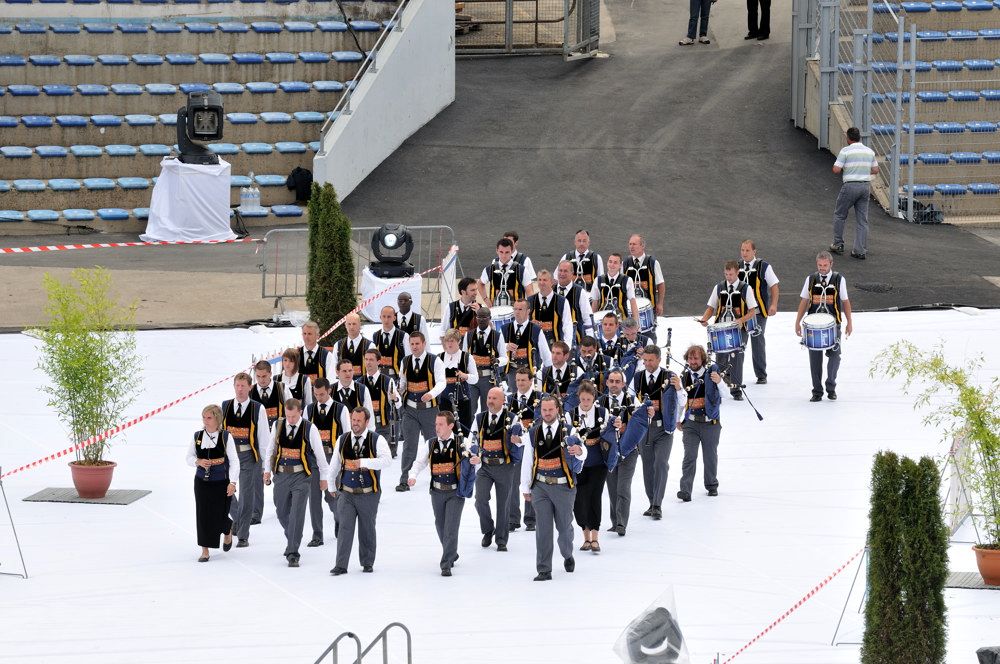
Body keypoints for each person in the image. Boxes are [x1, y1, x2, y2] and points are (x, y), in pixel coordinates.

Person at [520, 395, 586, 581]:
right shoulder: (532, 432)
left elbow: (582, 450)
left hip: (563, 487)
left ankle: (567, 553)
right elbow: (527, 461)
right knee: (543, 528)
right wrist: (525, 487)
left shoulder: (569, 430)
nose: (547, 413)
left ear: (558, 410)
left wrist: (579, 452)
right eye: (544, 410)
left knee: (564, 528)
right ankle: (544, 569)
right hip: (540, 487)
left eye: (550, 410)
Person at [408, 410, 479, 576]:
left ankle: (446, 562)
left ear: (451, 426)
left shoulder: (463, 443)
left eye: (441, 424)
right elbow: (419, 462)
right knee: (440, 525)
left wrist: (477, 460)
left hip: (455, 493)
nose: (437, 428)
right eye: (436, 424)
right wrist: (412, 476)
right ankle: (452, 551)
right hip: (437, 491)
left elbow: (476, 460)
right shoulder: (431, 444)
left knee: (450, 528)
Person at [262, 399, 330, 567]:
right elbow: (271, 449)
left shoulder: (310, 428)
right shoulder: (278, 425)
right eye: (288, 416)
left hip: (302, 476)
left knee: (297, 514)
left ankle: (293, 552)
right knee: (281, 511)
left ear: (300, 412)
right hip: (281, 476)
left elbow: (320, 455)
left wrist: (323, 477)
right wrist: (267, 470)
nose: (290, 419)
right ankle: (293, 535)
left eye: (293, 416)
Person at [327, 407, 393, 575]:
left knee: (367, 528)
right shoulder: (342, 439)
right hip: (346, 493)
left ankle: (367, 562)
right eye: (353, 420)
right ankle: (341, 565)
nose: (355, 424)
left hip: (369, 493)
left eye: (358, 421)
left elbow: (386, 461)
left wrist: (363, 462)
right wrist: (331, 486)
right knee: (345, 528)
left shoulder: (376, 439)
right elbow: (335, 464)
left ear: (366, 422)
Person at [633, 345, 685, 520]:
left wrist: (678, 388)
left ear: (659, 360)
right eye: (645, 360)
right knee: (648, 466)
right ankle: (651, 502)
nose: (647, 363)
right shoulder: (638, 377)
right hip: (644, 430)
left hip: (664, 429)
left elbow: (682, 400)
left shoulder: (670, 377)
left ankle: (657, 504)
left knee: (661, 464)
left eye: (651, 360)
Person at [795, 251, 854, 402]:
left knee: (835, 356)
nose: (822, 268)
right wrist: (797, 321)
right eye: (820, 265)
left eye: (825, 265)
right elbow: (804, 301)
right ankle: (817, 391)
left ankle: (831, 386)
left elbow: (845, 301)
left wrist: (849, 322)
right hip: (813, 326)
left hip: (834, 325)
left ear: (831, 264)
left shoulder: (839, 279)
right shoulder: (810, 279)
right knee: (815, 359)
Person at [470, 387, 523, 552]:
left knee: (503, 504)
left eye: (494, 398)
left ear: (503, 401)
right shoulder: (479, 418)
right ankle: (488, 530)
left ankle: (501, 539)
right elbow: (472, 440)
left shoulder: (513, 419)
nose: (490, 401)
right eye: (489, 397)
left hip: (504, 466)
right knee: (480, 499)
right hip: (485, 466)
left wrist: (518, 440)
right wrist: (475, 453)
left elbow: (523, 439)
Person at [222, 373, 272, 546]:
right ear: (234, 386)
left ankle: (243, 535)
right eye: (238, 386)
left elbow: (264, 438)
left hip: (249, 457)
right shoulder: (226, 406)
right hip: (229, 456)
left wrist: (266, 466)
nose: (240, 389)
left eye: (244, 386)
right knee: (225, 490)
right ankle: (238, 519)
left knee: (246, 495)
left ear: (250, 387)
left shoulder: (258, 408)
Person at [698, 260, 759, 401]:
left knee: (737, 358)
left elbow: (752, 311)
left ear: (738, 273)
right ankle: (720, 386)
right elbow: (711, 307)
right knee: (721, 359)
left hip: (739, 329)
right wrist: (704, 319)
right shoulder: (719, 287)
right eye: (726, 274)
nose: (728, 277)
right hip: (721, 328)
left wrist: (741, 320)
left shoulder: (746, 288)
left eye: (731, 274)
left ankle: (736, 389)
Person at [396, 331, 447, 491]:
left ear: (424, 344)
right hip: (410, 410)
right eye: (412, 344)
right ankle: (405, 479)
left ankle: (439, 477)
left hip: (430, 411)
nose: (414, 347)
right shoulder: (405, 361)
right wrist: (397, 392)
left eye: (417, 343)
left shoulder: (435, 361)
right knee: (409, 446)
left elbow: (441, 382)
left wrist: (431, 394)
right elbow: (403, 383)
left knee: (434, 444)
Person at [304, 378, 351, 547]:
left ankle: (339, 518)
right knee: (314, 499)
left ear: (329, 390)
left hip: (333, 458)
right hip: (314, 460)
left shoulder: (341, 409)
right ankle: (317, 534)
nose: (319, 398)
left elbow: (347, 435)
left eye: (322, 394)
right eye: (316, 395)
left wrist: (345, 461)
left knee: (333, 496)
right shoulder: (309, 410)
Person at [188, 404, 238, 562]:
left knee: (219, 515)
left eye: (209, 417)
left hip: (221, 482)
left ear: (217, 419)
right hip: (201, 482)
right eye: (203, 417)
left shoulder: (225, 437)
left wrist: (233, 483)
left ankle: (227, 528)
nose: (205, 420)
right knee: (203, 515)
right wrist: (198, 461)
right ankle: (205, 550)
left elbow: (235, 461)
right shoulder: (197, 436)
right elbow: (188, 457)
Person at [569, 381, 611, 553]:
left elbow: (608, 435)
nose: (585, 402)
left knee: (595, 496)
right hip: (580, 463)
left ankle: (595, 537)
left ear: (594, 398)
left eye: (589, 399)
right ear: (579, 398)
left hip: (598, 461)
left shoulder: (602, 412)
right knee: (580, 498)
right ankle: (585, 536)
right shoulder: (571, 415)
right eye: (583, 399)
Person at [677, 345, 723, 502]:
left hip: (710, 424)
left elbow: (724, 394)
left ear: (702, 359)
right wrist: (678, 418)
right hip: (691, 424)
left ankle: (712, 485)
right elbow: (681, 400)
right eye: (690, 358)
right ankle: (685, 490)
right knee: (689, 456)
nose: (693, 361)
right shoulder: (685, 376)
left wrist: (720, 381)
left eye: (696, 358)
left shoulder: (712, 373)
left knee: (710, 456)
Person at [601, 369, 643, 536]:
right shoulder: (600, 402)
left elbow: (642, 423)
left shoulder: (633, 400)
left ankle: (621, 523)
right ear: (607, 383)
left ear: (624, 384)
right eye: (611, 381)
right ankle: (615, 521)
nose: (614, 384)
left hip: (628, 450)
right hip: (609, 452)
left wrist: (628, 427)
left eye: (617, 381)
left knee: (623, 487)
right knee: (612, 488)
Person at [831, 127, 878, 260]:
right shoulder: (869, 151)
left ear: (848, 138)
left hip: (850, 186)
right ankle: (860, 250)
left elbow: (836, 169)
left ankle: (838, 243)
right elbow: (875, 170)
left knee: (840, 214)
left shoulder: (846, 151)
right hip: (864, 187)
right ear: (859, 137)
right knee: (862, 220)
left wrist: (848, 169)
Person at [738, 240, 780, 385]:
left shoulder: (764, 267)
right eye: (742, 250)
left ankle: (761, 374)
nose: (744, 253)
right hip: (742, 313)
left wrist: (773, 304)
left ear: (754, 252)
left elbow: (774, 286)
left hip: (759, 311)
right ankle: (735, 375)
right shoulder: (737, 267)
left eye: (747, 250)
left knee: (757, 341)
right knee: (739, 343)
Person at [508, 367, 542, 532]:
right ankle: (513, 519)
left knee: (530, 480)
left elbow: (540, 423)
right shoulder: (510, 399)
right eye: (518, 380)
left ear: (531, 381)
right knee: (513, 484)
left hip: (533, 446)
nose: (520, 383)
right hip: (515, 449)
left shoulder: (540, 399)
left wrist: (523, 438)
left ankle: (531, 519)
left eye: (523, 380)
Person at [462, 307, 509, 415]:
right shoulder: (468, 335)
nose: (481, 320)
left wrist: (497, 360)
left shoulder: (497, 336)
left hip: (489, 379)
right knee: (470, 409)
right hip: (472, 378)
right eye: (479, 317)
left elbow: (505, 358)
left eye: (484, 317)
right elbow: (463, 356)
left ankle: (484, 430)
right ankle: (470, 431)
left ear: (490, 318)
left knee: (487, 409)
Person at [503, 299, 551, 393]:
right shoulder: (505, 328)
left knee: (530, 397)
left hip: (530, 370)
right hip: (512, 370)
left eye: (520, 309)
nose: (517, 312)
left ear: (528, 311)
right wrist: (506, 346)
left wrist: (549, 373)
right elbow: (497, 349)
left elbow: (545, 354)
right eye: (515, 309)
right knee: (514, 399)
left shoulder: (536, 330)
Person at [360, 349, 401, 456]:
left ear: (378, 362)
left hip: (383, 425)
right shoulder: (359, 382)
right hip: (365, 426)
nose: (368, 362)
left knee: (383, 456)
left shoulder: (387, 381)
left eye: (371, 360)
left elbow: (398, 403)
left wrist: (395, 398)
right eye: (366, 359)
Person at [438, 329, 478, 434]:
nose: (449, 343)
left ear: (459, 341)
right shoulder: (439, 357)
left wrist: (466, 376)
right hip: (444, 399)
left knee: (464, 430)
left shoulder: (466, 357)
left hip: (463, 399)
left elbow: (475, 378)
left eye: (452, 341)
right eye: (447, 341)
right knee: (446, 429)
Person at [480, 237, 536, 306]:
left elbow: (530, 291)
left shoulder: (522, 270)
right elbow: (480, 283)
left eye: (507, 252)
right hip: (495, 311)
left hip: (515, 312)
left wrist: (527, 308)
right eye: (501, 252)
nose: (504, 256)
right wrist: (486, 299)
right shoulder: (489, 269)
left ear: (512, 251)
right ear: (497, 251)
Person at [624, 234, 666, 320]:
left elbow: (661, 284)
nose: (631, 247)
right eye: (630, 244)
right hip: (629, 310)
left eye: (634, 244)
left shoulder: (653, 263)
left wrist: (660, 303)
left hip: (649, 309)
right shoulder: (625, 264)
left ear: (642, 246)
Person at [528, 270, 575, 347]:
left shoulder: (562, 301)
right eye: (539, 280)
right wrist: (530, 324)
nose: (541, 283)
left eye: (545, 280)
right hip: (535, 346)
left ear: (552, 282)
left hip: (555, 346)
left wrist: (567, 346)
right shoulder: (530, 300)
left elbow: (567, 325)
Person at [555, 260, 594, 343]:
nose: (562, 274)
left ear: (572, 273)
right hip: (555, 340)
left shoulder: (580, 292)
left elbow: (588, 318)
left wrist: (590, 340)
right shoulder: (551, 290)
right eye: (560, 270)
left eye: (565, 271)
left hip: (575, 339)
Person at [592, 253, 640, 322]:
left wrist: (636, 323)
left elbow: (633, 302)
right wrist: (593, 322)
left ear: (620, 265)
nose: (612, 265)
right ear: (607, 263)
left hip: (621, 320)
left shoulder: (627, 280)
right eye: (610, 261)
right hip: (602, 321)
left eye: (615, 263)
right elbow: (595, 302)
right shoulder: (598, 280)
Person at [330, 359, 375, 430]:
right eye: (344, 371)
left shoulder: (362, 389)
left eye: (350, 370)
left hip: (358, 432)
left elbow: (369, 413)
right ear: (337, 372)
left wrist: (370, 433)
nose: (348, 374)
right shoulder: (330, 390)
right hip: (337, 433)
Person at [369, 305, 409, 379]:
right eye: (384, 316)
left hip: (397, 377)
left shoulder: (403, 336)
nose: (386, 320)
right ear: (380, 317)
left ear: (394, 318)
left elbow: (408, 359)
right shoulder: (375, 336)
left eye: (389, 317)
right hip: (379, 376)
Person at [250, 359, 291, 427]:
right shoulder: (250, 391)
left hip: (279, 432)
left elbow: (291, 410)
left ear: (270, 374)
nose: (261, 380)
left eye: (264, 376)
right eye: (258, 376)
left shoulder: (282, 388)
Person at [331, 314, 373, 378]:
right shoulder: (337, 345)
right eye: (349, 324)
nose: (351, 327)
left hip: (363, 384)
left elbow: (373, 369)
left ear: (360, 325)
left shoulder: (370, 346)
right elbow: (334, 368)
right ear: (345, 325)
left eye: (354, 324)